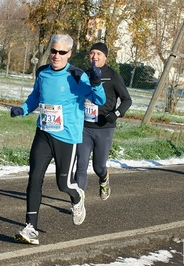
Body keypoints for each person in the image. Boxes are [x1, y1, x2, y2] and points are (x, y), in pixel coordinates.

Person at [10, 34, 106, 245]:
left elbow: (100, 100)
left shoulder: (77, 75)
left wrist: (97, 82)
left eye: (62, 52)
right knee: (34, 179)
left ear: (69, 54)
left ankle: (77, 197)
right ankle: (30, 227)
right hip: (43, 133)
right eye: (54, 51)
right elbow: (36, 96)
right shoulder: (43, 73)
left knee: (64, 184)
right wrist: (23, 109)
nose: (56, 55)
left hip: (66, 138)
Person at [75, 42, 132, 200]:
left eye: (98, 54)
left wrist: (117, 113)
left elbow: (127, 100)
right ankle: (78, 202)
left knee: (98, 166)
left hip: (104, 127)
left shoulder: (113, 76)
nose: (94, 56)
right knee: (81, 165)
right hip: (85, 127)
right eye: (92, 53)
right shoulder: (84, 75)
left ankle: (104, 178)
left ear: (105, 57)